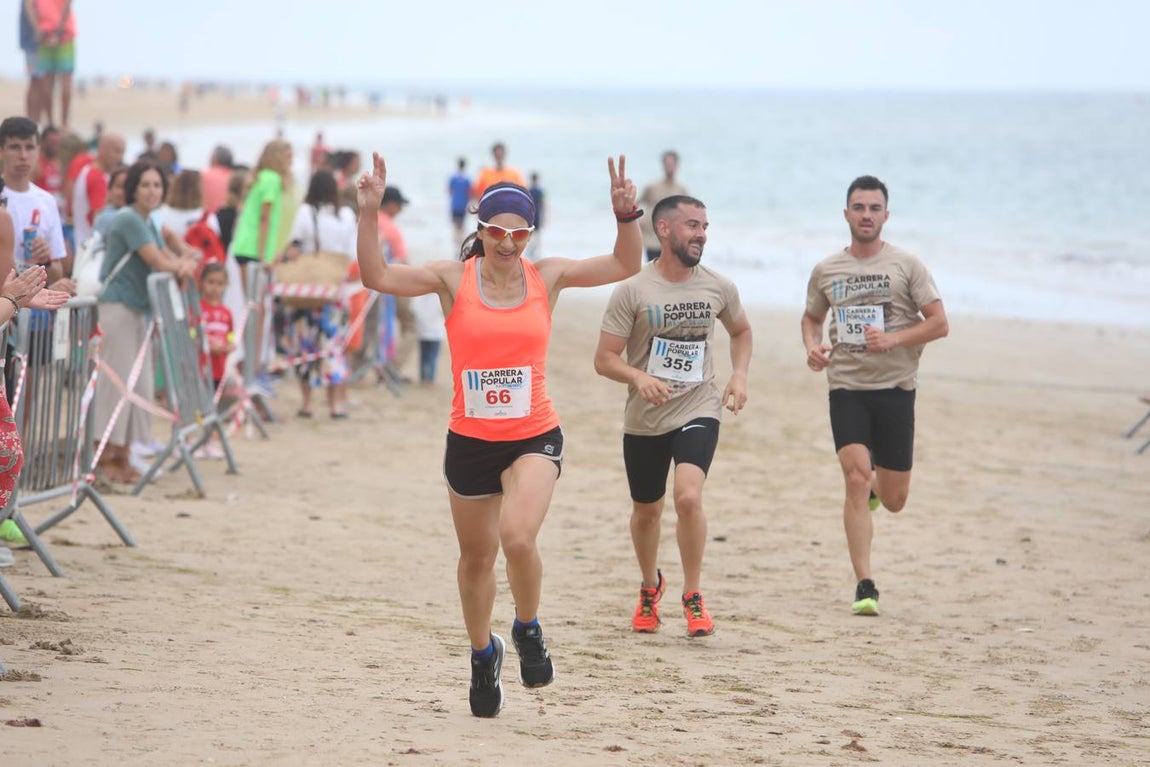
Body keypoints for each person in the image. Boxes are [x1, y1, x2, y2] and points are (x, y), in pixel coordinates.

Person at [355, 151, 642, 718]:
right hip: (469, 441)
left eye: (518, 234)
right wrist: (368, 214)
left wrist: (627, 215)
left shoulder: (548, 276)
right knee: (475, 560)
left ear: (530, 234)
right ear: (480, 231)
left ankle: (529, 628)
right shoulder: (449, 279)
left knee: (517, 538)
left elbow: (623, 264)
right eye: (496, 232)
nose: (508, 244)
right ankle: (483, 655)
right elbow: (377, 276)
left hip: (534, 432)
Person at [594, 194, 752, 638]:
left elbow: (741, 331)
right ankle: (649, 587)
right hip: (645, 416)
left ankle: (693, 594)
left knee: (687, 497)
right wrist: (637, 376)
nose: (701, 233)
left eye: (704, 225)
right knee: (647, 511)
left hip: (699, 404)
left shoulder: (719, 287)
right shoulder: (633, 290)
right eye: (691, 225)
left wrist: (738, 375)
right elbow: (604, 359)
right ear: (663, 230)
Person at [801, 175, 949, 616]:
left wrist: (894, 339)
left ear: (886, 215)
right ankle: (865, 584)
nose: (866, 215)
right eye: (859, 207)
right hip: (846, 386)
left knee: (895, 500)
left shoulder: (907, 265)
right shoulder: (827, 270)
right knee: (854, 475)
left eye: (874, 208)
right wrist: (812, 346)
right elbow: (811, 318)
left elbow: (939, 323)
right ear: (846, 213)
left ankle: (875, 492)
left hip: (896, 390)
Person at [91, 159, 198, 484]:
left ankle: (123, 455)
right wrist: (183, 266)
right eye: (145, 185)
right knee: (116, 385)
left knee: (138, 386)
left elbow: (169, 256)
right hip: (119, 308)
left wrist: (180, 263)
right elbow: (158, 261)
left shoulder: (149, 220)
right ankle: (104, 457)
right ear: (134, 189)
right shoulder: (128, 219)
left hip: (138, 309)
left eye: (157, 185)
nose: (152, 191)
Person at [282, 169, 355, 419]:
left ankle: (307, 404)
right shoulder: (346, 215)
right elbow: (351, 253)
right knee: (334, 347)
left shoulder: (306, 212)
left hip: (308, 290)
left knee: (305, 348)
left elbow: (294, 246)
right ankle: (335, 404)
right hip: (336, 291)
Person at [0, 116, 71, 293]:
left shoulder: (46, 201)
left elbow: (57, 273)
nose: (23, 156)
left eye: (29, 147)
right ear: (1, 151)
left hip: (30, 311)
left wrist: (45, 258)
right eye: (15, 147)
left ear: (38, 150)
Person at [25, 0, 76, 129]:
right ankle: (64, 124)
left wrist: (38, 29)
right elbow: (67, 6)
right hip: (64, 34)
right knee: (64, 81)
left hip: (45, 33)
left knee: (47, 82)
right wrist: (58, 32)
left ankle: (51, 123)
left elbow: (29, 6)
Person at [72, 131, 127, 250]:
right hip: (91, 247)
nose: (120, 157)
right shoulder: (98, 178)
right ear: (101, 149)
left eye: (123, 152)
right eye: (116, 151)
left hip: (82, 242)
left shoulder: (87, 170)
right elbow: (99, 219)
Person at [638, 150, 688, 262]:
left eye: (672, 163)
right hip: (652, 240)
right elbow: (634, 204)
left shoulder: (681, 189)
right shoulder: (652, 187)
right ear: (663, 165)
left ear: (677, 166)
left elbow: (688, 214)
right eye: (667, 163)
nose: (669, 166)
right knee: (653, 273)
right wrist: (638, 220)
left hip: (673, 241)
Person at [198, 262, 235, 393]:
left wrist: (230, 345)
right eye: (211, 282)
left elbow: (230, 335)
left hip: (220, 369)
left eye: (220, 284)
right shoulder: (197, 309)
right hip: (201, 369)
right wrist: (207, 345)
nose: (215, 287)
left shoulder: (227, 312)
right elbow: (191, 335)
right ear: (202, 282)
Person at [413, 291, 444, 386]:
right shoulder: (438, 296)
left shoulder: (418, 296)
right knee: (432, 357)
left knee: (424, 356)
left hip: (423, 330)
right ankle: (430, 378)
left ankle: (423, 377)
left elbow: (414, 309)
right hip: (436, 332)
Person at [201, 145, 234, 214]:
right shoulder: (234, 177)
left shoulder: (203, 175)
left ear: (214, 159)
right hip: (227, 217)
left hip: (205, 218)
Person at [448, 157, 471, 243]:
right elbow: (469, 194)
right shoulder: (467, 179)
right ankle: (461, 243)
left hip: (455, 205)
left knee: (455, 226)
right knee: (462, 226)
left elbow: (450, 191)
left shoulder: (453, 178)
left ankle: (456, 244)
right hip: (463, 205)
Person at [525, 172, 545, 262]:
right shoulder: (540, 191)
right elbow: (543, 205)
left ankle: (530, 253)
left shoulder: (528, 190)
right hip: (537, 216)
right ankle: (535, 253)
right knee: (537, 235)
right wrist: (544, 216)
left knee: (530, 234)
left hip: (530, 215)